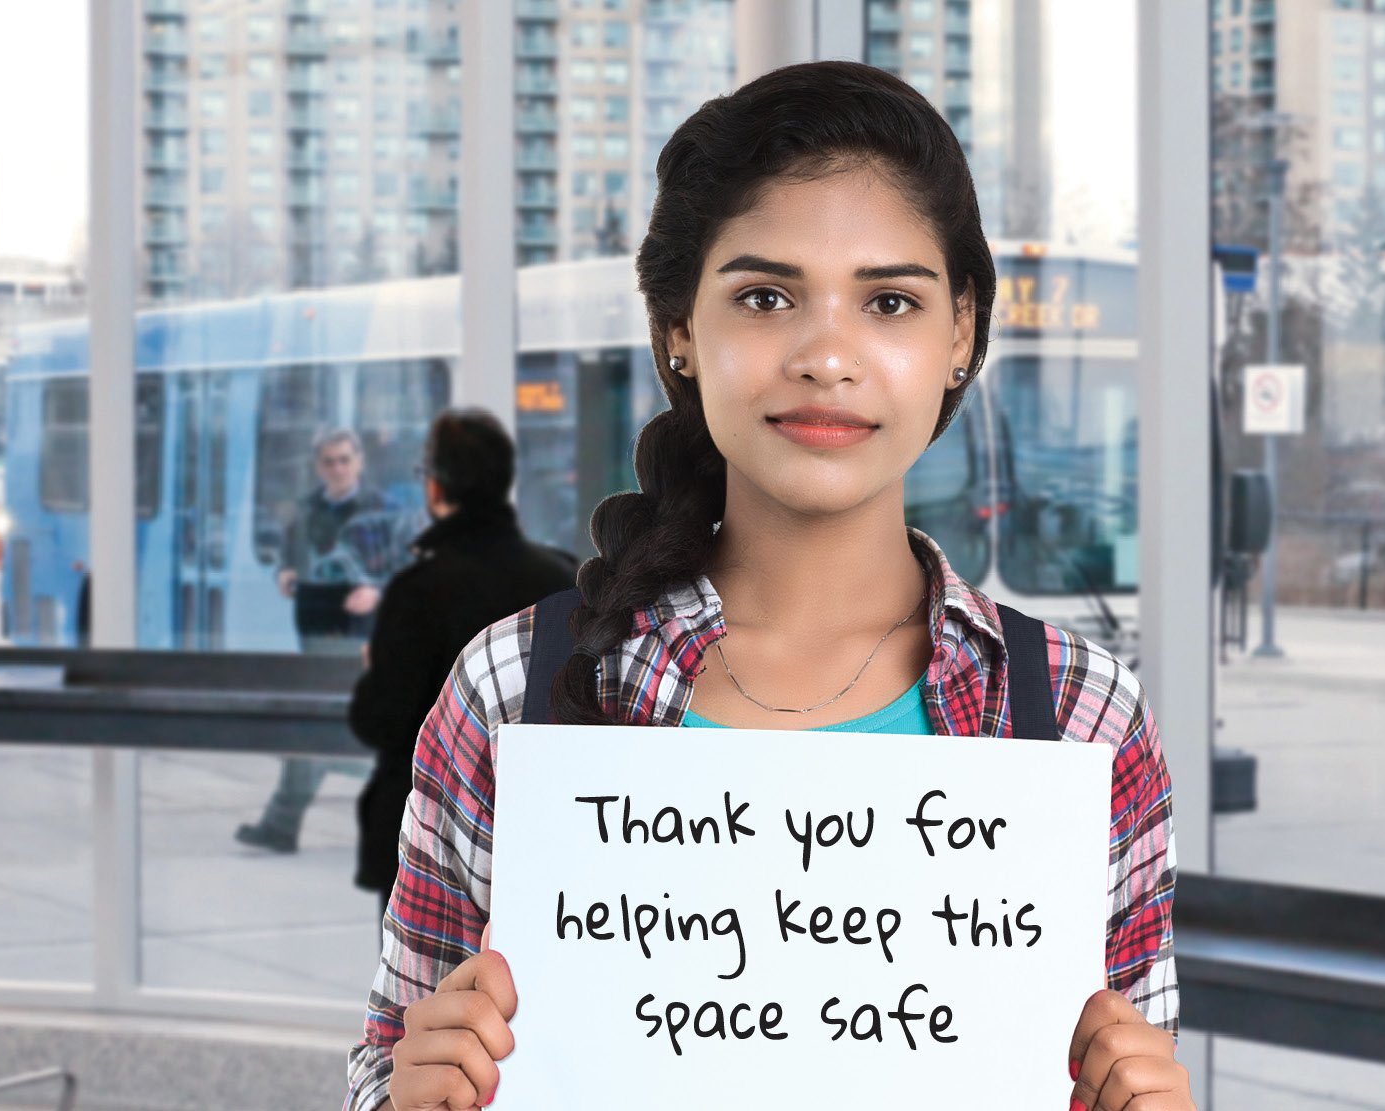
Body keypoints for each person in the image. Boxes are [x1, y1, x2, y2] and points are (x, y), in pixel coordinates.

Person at [352, 62, 1186, 1111]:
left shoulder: (1079, 714)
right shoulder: (513, 684)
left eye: (889, 301)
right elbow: (386, 1064)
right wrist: (408, 1097)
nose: (827, 354)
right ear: (679, 334)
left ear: (961, 333)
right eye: (764, 296)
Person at [347, 408, 576, 910]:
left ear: (436, 487)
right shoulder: (563, 577)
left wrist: (375, 671)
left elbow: (381, 719)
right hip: (545, 829)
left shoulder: (420, 590)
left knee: (426, 987)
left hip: (435, 840)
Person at [237, 428, 419, 854]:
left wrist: (377, 590)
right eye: (329, 461)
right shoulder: (307, 509)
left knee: (328, 730)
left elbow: (411, 571)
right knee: (324, 726)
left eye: (344, 460)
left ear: (358, 462)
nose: (337, 468)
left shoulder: (386, 511)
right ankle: (286, 823)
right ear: (318, 466)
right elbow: (292, 554)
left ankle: (284, 822)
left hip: (366, 636)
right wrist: (284, 572)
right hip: (317, 631)